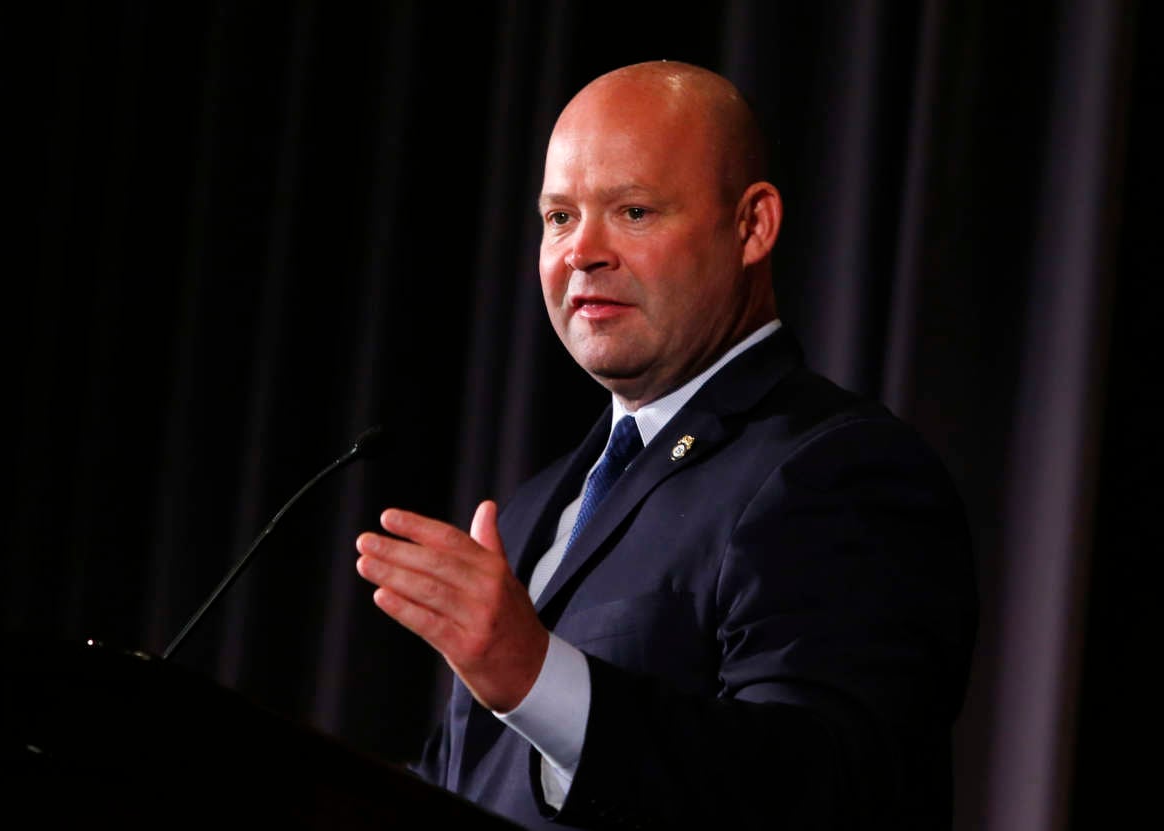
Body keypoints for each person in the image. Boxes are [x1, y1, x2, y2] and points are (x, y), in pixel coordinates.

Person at [355, 60, 977, 830]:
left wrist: (537, 675)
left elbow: (828, 789)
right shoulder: (535, 508)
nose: (582, 252)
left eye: (634, 211)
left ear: (753, 225)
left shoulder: (840, 470)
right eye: (558, 217)